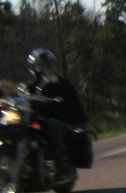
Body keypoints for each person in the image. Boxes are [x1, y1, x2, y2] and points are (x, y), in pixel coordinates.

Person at [25, 48, 87, 181]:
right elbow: (20, 98)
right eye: (39, 66)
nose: (42, 69)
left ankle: (61, 166)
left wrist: (77, 120)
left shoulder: (62, 83)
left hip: (60, 120)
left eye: (45, 66)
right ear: (33, 68)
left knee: (53, 125)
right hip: (37, 119)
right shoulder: (30, 86)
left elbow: (74, 103)